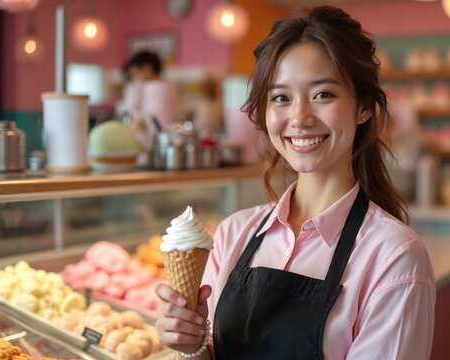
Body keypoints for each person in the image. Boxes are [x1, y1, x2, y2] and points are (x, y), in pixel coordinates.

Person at [155, 6, 435, 359]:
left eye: (323, 94)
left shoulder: (394, 257)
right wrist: (190, 345)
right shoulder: (232, 234)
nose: (299, 118)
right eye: (281, 98)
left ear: (363, 105)